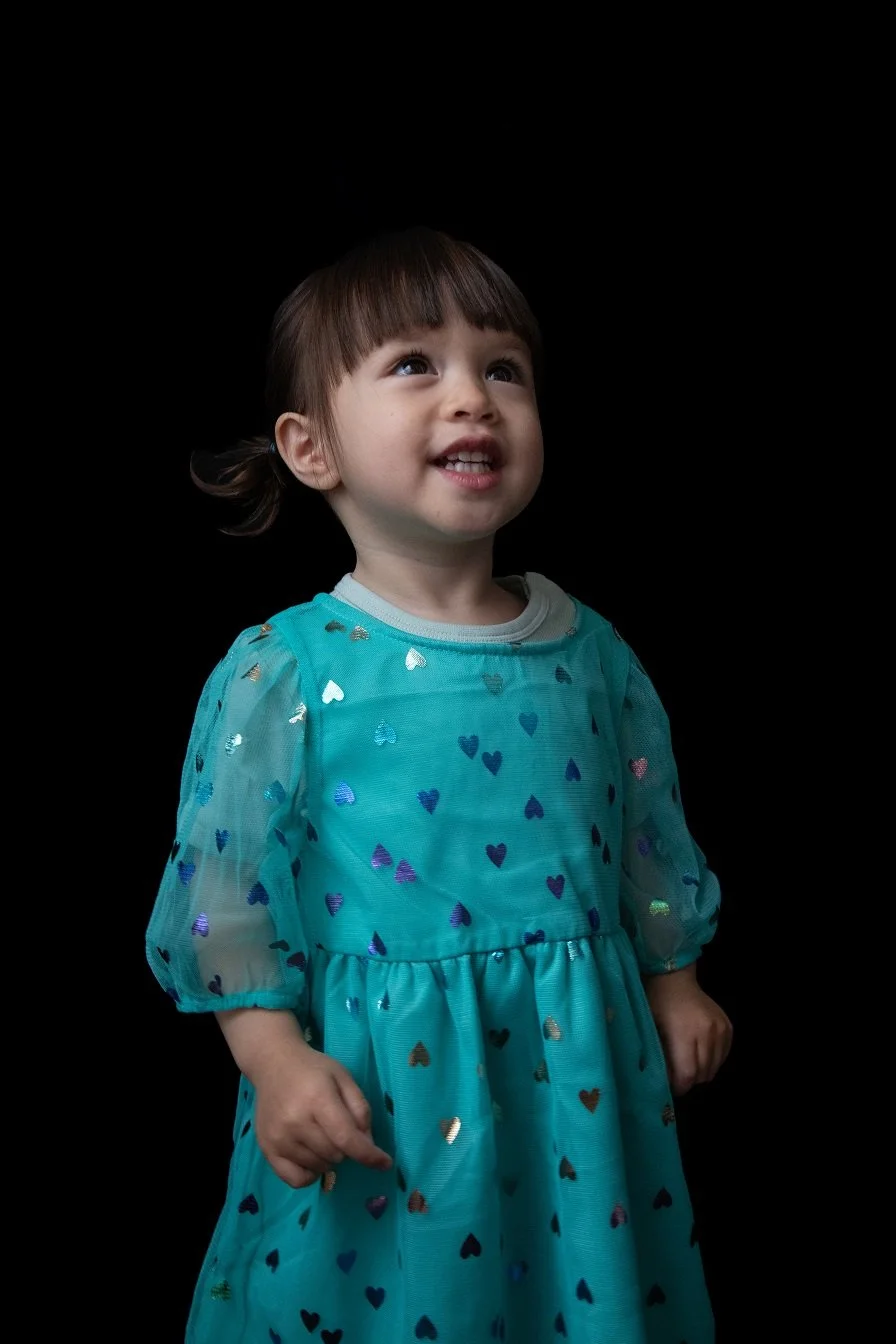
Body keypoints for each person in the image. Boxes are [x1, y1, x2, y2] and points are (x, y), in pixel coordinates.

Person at [146, 225, 733, 1343]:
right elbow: (224, 894)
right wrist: (273, 1060)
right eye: (414, 365)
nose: (471, 397)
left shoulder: (591, 650)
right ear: (309, 446)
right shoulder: (286, 669)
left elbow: (648, 834)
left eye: (501, 369)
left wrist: (675, 978)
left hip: (577, 1081)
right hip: (387, 1090)